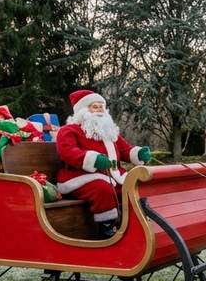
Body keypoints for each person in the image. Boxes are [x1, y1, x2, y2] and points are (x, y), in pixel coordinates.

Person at [55, 90, 152, 239]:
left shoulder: (109, 131)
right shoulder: (68, 130)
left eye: (102, 106)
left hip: (112, 175)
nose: (100, 109)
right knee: (103, 188)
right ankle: (107, 230)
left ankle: (135, 224)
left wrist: (138, 154)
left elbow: (125, 150)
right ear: (83, 111)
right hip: (79, 176)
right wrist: (93, 159)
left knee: (133, 187)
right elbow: (67, 152)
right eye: (95, 106)